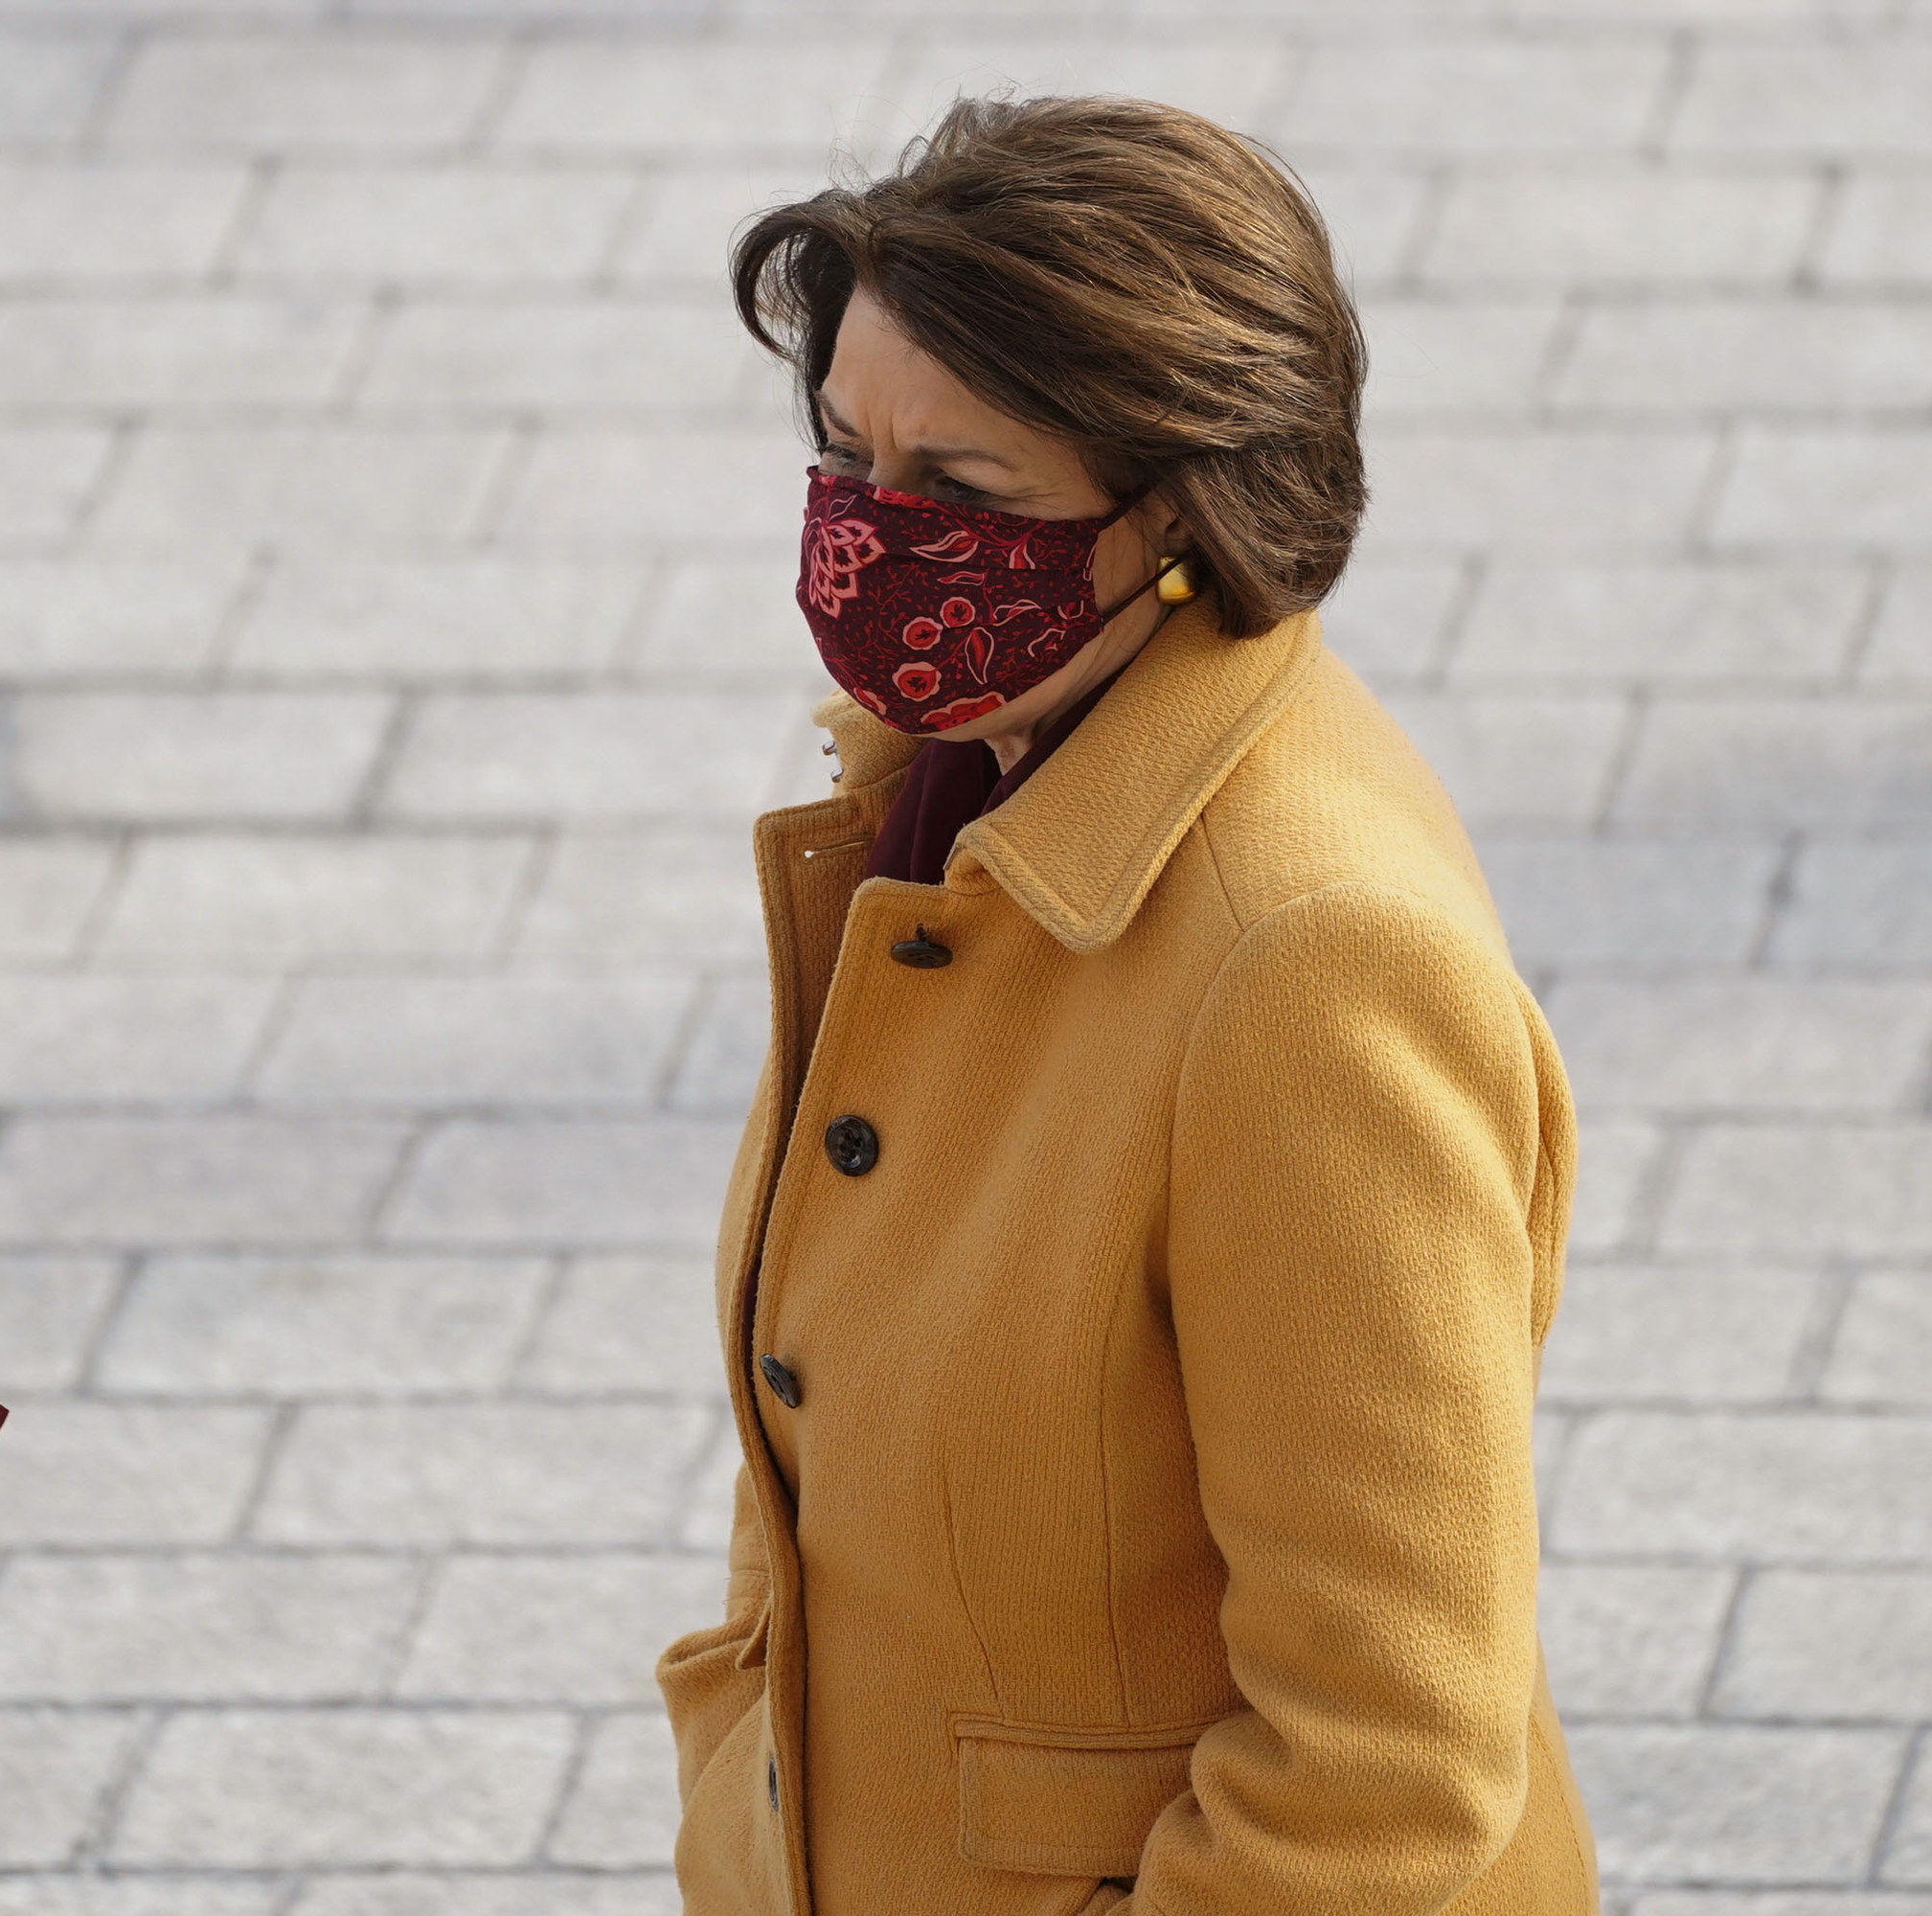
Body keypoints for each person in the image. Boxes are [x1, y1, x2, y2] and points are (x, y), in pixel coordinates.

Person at [657, 97, 1596, 1915]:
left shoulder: (1311, 965)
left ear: (1179, 510)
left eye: (966, 492)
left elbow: (1384, 1761)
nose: (872, 540)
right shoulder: (945, 793)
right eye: (847, 456)